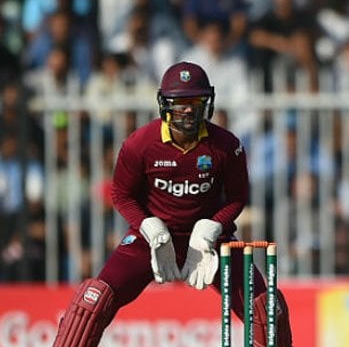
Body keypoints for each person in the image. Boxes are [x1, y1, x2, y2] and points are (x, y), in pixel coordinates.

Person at [52, 61, 293, 347]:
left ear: (207, 103)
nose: (188, 109)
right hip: (151, 240)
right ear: (164, 104)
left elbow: (238, 197)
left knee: (266, 309)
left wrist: (214, 227)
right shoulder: (139, 144)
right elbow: (121, 194)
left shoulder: (227, 146)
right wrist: (148, 226)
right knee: (91, 301)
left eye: (194, 101)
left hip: (210, 242)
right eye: (179, 103)